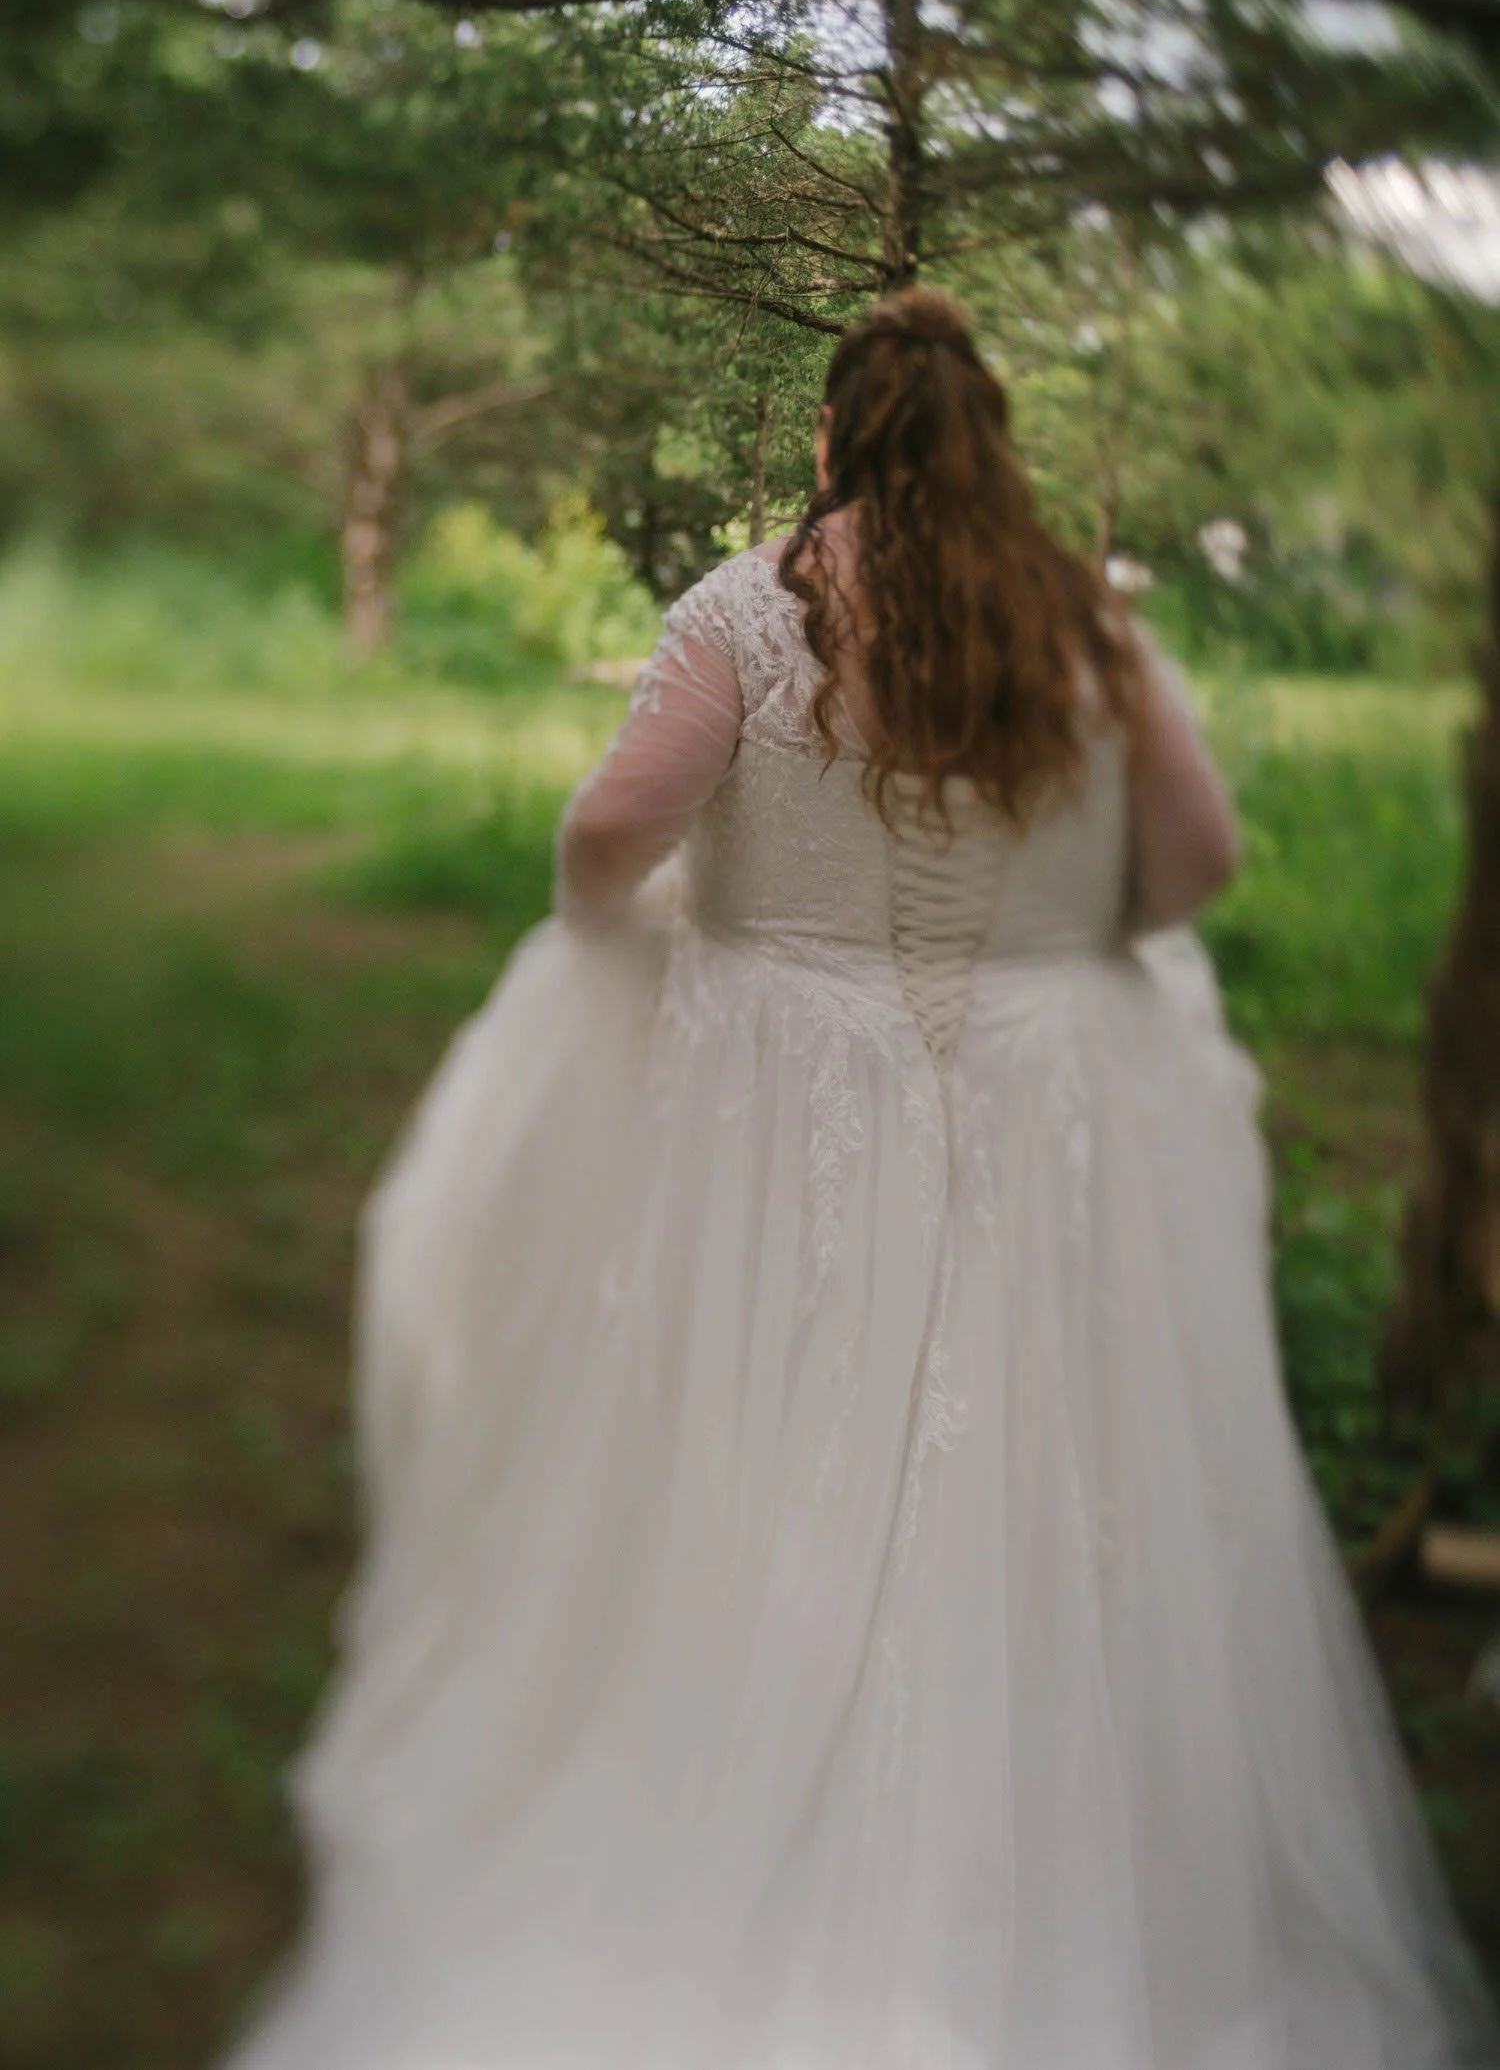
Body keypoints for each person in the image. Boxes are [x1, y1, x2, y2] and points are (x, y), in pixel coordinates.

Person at [221, 291, 1499, 2070]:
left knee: (777, 1426)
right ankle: (1052, 1829)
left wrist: (639, 926)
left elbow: (607, 833)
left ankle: (757, 1743)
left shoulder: (754, 609)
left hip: (786, 1089)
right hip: (1055, 1102)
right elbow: (1195, 857)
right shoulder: (1087, 621)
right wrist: (1070, 946)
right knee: (1062, 1450)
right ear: (992, 446)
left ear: (836, 440)